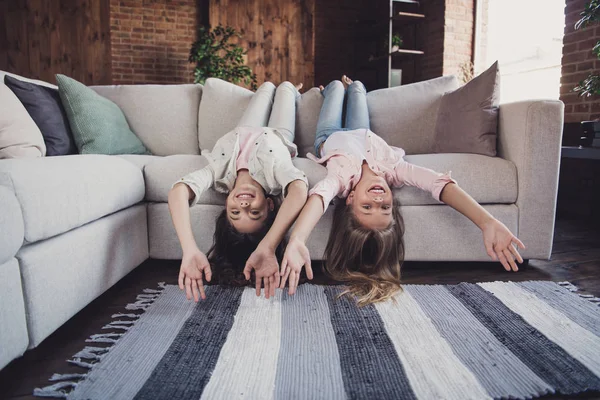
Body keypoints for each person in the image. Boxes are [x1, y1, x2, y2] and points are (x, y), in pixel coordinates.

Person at [279, 76, 525, 305]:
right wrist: (486, 222)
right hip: (365, 131)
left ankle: (332, 89)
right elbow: (439, 184)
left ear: (351, 199)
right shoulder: (395, 169)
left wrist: (298, 238)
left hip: (329, 136)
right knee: (357, 90)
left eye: (367, 206)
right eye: (384, 207)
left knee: (335, 87)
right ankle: (353, 86)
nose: (378, 198)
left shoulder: (341, 179)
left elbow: (319, 198)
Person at [168, 81, 309, 302]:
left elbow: (178, 191)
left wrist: (189, 249)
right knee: (284, 88)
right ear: (270, 205)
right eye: (255, 213)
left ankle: (270, 89)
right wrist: (268, 246)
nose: (244, 207)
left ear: (226, 206)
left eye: (235, 213)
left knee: (264, 88)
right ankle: (293, 89)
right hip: (279, 133)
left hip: (242, 129)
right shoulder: (275, 175)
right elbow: (299, 190)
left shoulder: (217, 173)